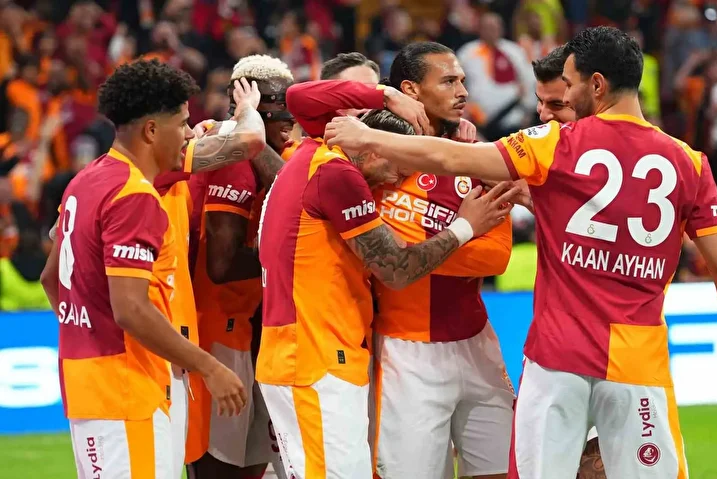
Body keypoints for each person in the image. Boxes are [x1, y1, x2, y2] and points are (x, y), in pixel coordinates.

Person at [325, 26, 717, 479]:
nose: (563, 98)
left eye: (569, 85)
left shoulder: (554, 143)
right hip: (639, 360)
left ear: (596, 85)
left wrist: (369, 138)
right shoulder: (691, 162)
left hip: (558, 357)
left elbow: (452, 159)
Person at [257, 84, 518, 476]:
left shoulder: (313, 154)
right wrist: (466, 226)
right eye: (398, 166)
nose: (398, 178)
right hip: (313, 358)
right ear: (373, 145)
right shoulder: (338, 174)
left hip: (309, 353)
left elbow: (300, 99)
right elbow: (396, 269)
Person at [40, 59, 266, 478]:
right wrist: (209, 367)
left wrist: (91, 336)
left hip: (91, 382)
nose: (189, 133)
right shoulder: (135, 196)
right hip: (132, 389)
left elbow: (51, 279)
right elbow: (131, 308)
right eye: (181, 123)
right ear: (150, 131)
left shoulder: (85, 180)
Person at [372, 41, 515, 479]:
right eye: (449, 81)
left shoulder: (480, 158)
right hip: (406, 351)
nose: (463, 91)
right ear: (410, 90)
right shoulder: (378, 161)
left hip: (477, 342)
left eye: (463, 81)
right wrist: (466, 227)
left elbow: (495, 257)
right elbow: (389, 260)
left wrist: (419, 249)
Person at [186, 54, 298, 479]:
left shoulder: (270, 152)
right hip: (217, 330)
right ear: (248, 103)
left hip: (249, 329)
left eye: (290, 102)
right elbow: (222, 263)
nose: (288, 115)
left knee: (251, 466)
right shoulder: (230, 155)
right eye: (276, 104)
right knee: (219, 467)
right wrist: (292, 263)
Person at [532, 46, 606, 479]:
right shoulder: (537, 154)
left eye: (556, 104)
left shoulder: (635, 164)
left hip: (618, 355)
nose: (544, 115)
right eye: (539, 103)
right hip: (557, 351)